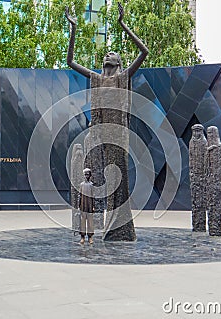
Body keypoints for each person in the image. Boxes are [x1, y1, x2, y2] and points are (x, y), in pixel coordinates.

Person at [65, 2, 148, 241]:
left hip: (119, 134)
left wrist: (123, 24)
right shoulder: (97, 79)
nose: (107, 54)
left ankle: (120, 227)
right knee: (105, 177)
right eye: (105, 54)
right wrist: (73, 28)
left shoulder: (123, 77)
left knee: (118, 178)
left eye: (111, 53)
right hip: (102, 133)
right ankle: (112, 227)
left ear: (118, 62)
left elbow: (144, 52)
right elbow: (70, 61)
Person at [79, 168, 95, 244]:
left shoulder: (91, 185)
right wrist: (79, 205)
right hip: (83, 205)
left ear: (90, 175)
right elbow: (80, 196)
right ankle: (82, 237)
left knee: (90, 222)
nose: (86, 176)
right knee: (82, 222)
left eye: (87, 174)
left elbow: (93, 196)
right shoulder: (81, 185)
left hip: (90, 205)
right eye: (85, 174)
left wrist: (93, 206)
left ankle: (90, 237)